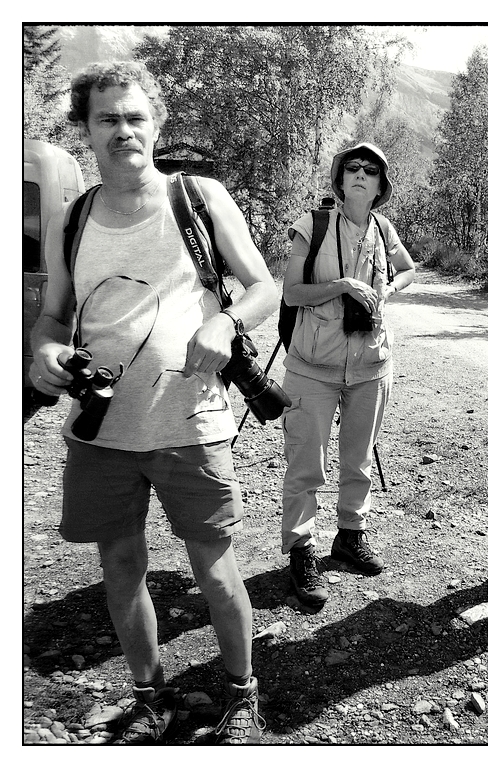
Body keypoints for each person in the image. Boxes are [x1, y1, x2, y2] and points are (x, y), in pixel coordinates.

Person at [30, 61, 279, 743]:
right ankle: (150, 697)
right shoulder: (73, 219)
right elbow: (54, 318)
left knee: (214, 567)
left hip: (190, 421)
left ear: (155, 123)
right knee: (119, 566)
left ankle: (241, 695)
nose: (123, 130)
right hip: (101, 430)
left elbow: (263, 287)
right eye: (107, 118)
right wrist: (45, 353)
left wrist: (227, 322)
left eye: (135, 117)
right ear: (86, 128)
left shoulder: (197, 197)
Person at [279, 142, 416, 609]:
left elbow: (409, 269)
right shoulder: (311, 226)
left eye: (370, 169)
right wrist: (340, 286)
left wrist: (387, 290)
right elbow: (293, 293)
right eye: (351, 168)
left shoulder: (383, 227)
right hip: (312, 367)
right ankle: (301, 550)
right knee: (306, 462)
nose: (359, 174)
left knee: (358, 457)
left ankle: (350, 536)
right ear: (339, 179)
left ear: (380, 184)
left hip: (371, 364)